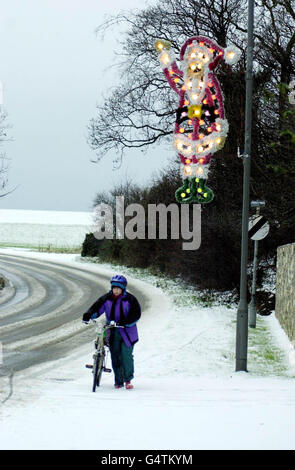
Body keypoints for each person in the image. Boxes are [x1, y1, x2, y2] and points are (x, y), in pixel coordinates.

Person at [82, 275, 141, 390]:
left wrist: (125, 322)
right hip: (113, 331)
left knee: (126, 356)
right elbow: (97, 308)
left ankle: (128, 380)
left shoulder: (130, 299)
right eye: (114, 288)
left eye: (119, 288)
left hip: (128, 332)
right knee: (115, 356)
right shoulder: (107, 298)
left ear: (123, 288)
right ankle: (118, 381)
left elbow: (136, 314)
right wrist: (88, 315)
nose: (116, 290)